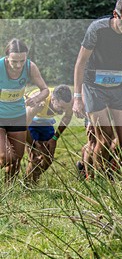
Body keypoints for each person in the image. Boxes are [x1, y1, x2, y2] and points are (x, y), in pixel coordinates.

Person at [73, 0, 122, 177]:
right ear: (115, 15)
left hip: (119, 86)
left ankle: (104, 170)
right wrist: (77, 97)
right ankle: (102, 179)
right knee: (104, 137)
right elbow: (81, 62)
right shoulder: (97, 29)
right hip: (94, 87)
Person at [0, 39, 50, 182]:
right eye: (14, 61)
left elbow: (45, 90)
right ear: (7, 57)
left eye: (22, 60)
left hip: (17, 116)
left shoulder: (30, 67)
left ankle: (9, 190)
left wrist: (37, 99)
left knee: (16, 159)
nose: (18, 65)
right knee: (5, 157)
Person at [24, 85, 73, 184]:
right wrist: (32, 145)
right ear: (53, 99)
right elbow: (23, 126)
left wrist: (54, 138)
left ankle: (33, 177)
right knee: (35, 157)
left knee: (49, 158)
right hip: (29, 122)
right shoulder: (38, 102)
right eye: (60, 107)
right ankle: (29, 185)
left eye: (65, 108)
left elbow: (67, 117)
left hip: (46, 122)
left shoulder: (68, 102)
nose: (62, 111)